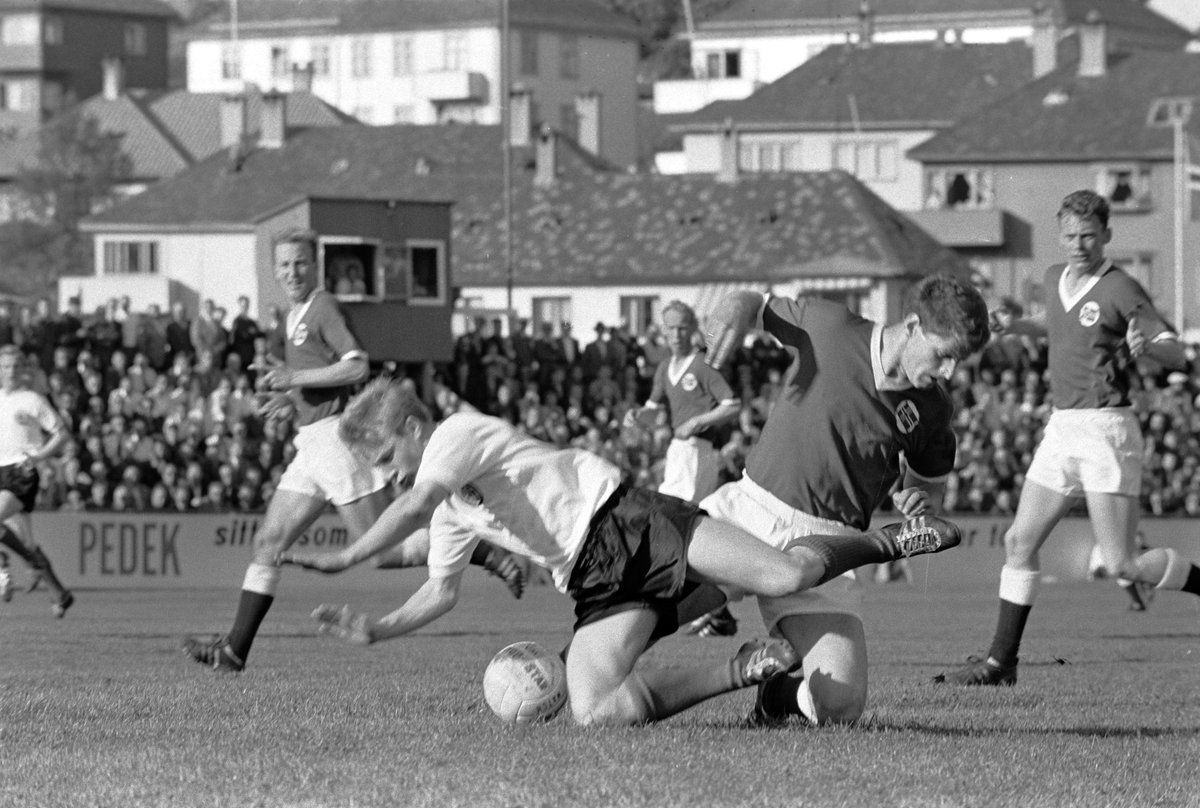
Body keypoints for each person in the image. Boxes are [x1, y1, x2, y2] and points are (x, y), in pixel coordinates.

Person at [279, 380, 964, 726]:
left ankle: (884, 540)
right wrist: (375, 629)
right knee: (595, 709)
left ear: (411, 426)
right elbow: (439, 591)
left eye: (387, 458)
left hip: (629, 521)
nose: (391, 475)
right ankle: (745, 669)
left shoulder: (455, 435)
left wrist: (348, 556)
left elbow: (410, 504)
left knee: (785, 571)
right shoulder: (456, 506)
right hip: (594, 580)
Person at [181, 228, 522, 673]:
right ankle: (234, 652)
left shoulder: (322, 307)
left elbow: (357, 363)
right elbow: (324, 375)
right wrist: (293, 400)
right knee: (267, 542)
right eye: (283, 264)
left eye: (300, 262)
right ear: (273, 269)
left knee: (378, 550)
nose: (291, 272)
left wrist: (294, 381)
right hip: (312, 441)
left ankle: (480, 548)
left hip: (335, 440)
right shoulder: (295, 313)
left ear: (315, 264)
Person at [699, 273, 990, 725]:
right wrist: (734, 308)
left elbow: (927, 482)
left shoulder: (932, 410)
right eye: (943, 355)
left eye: (959, 361)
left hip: (829, 551)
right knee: (650, 604)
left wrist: (918, 499)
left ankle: (777, 693)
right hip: (749, 513)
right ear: (912, 325)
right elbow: (755, 304)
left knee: (840, 709)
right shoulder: (832, 327)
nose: (950, 372)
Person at [937, 191, 1200, 687]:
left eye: (1088, 235)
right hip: (1062, 427)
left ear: (1106, 234)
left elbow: (1174, 352)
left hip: (1107, 430)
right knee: (1019, 541)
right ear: (1059, 235)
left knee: (1122, 561)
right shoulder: (1054, 277)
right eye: (1070, 236)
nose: (1078, 244)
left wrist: (1149, 348)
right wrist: (1015, 324)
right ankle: (1000, 664)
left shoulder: (1122, 288)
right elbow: (1056, 323)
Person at [624, 301, 741, 637]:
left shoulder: (703, 366)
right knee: (681, 528)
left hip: (697, 452)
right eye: (669, 328)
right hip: (678, 453)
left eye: (681, 328)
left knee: (675, 526)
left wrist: (697, 422)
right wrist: (637, 416)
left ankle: (701, 604)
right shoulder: (665, 368)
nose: (675, 335)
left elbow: (732, 405)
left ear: (692, 330)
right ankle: (717, 609)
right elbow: (654, 410)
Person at [0, 346, 74, 615]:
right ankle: (60, 594)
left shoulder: (32, 400)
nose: (10, 372)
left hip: (21, 472)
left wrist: (39, 456)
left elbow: (61, 433)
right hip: (0, 470)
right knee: (27, 542)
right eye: (6, 367)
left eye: (16, 367)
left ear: (24, 371)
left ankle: (3, 569)